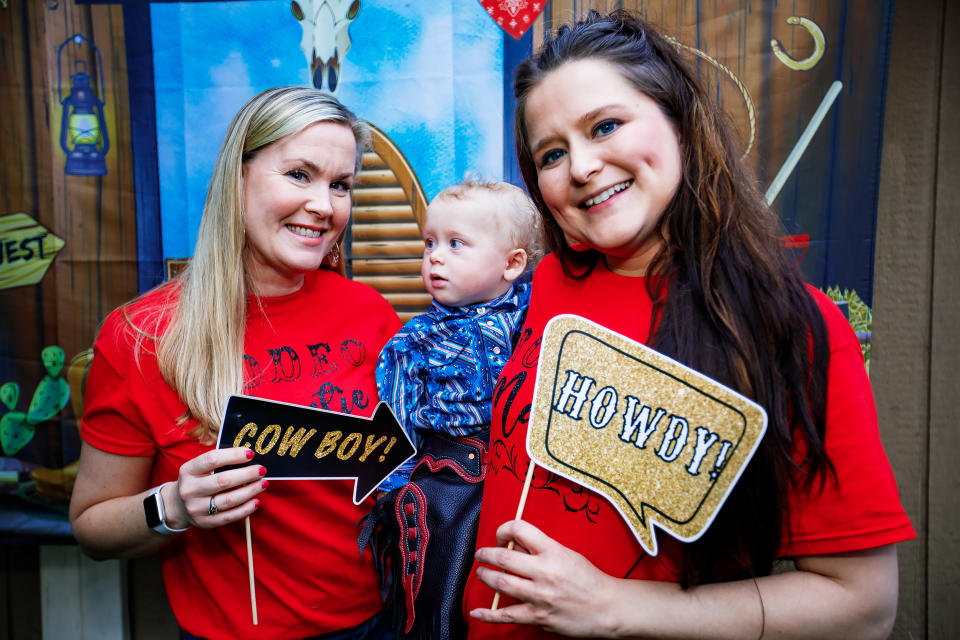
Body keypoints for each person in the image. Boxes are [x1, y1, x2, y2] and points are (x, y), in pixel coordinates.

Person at [464, 11, 915, 639]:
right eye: (552, 153)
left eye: (606, 126)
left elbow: (863, 607)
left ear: (680, 123)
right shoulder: (548, 287)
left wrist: (616, 609)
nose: (583, 166)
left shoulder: (790, 323)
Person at [68, 87, 402, 640]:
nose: (324, 204)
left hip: (384, 621)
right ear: (237, 179)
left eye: (340, 185)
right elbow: (91, 527)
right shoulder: (140, 337)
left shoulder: (370, 313)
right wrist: (174, 504)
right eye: (299, 174)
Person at [359, 178, 541, 639]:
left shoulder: (536, 314)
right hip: (448, 475)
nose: (435, 256)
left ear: (512, 264)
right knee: (441, 589)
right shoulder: (414, 341)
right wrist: (396, 491)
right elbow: (396, 422)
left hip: (520, 471)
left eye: (456, 244)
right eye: (429, 243)